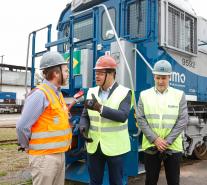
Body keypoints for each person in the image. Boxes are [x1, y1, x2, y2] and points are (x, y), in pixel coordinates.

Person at [16, 51, 72, 185]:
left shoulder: (58, 94)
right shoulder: (40, 94)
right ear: (56, 73)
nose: (68, 73)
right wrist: (27, 146)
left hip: (59, 154)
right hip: (44, 158)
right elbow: (22, 126)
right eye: (65, 70)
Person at [79, 54, 132, 185]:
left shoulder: (125, 92)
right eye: (96, 73)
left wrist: (100, 108)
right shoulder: (92, 91)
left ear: (112, 74)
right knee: (94, 182)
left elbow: (122, 116)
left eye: (101, 73)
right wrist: (83, 126)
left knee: (116, 182)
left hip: (116, 147)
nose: (96, 76)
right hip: (94, 146)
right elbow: (85, 115)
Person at [137, 60, 188, 185]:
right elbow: (140, 118)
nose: (160, 81)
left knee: (173, 181)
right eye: (158, 77)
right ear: (154, 76)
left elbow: (183, 120)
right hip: (151, 145)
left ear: (169, 77)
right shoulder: (144, 95)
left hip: (172, 147)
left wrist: (167, 141)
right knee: (150, 181)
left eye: (164, 78)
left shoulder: (179, 95)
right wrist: (155, 140)